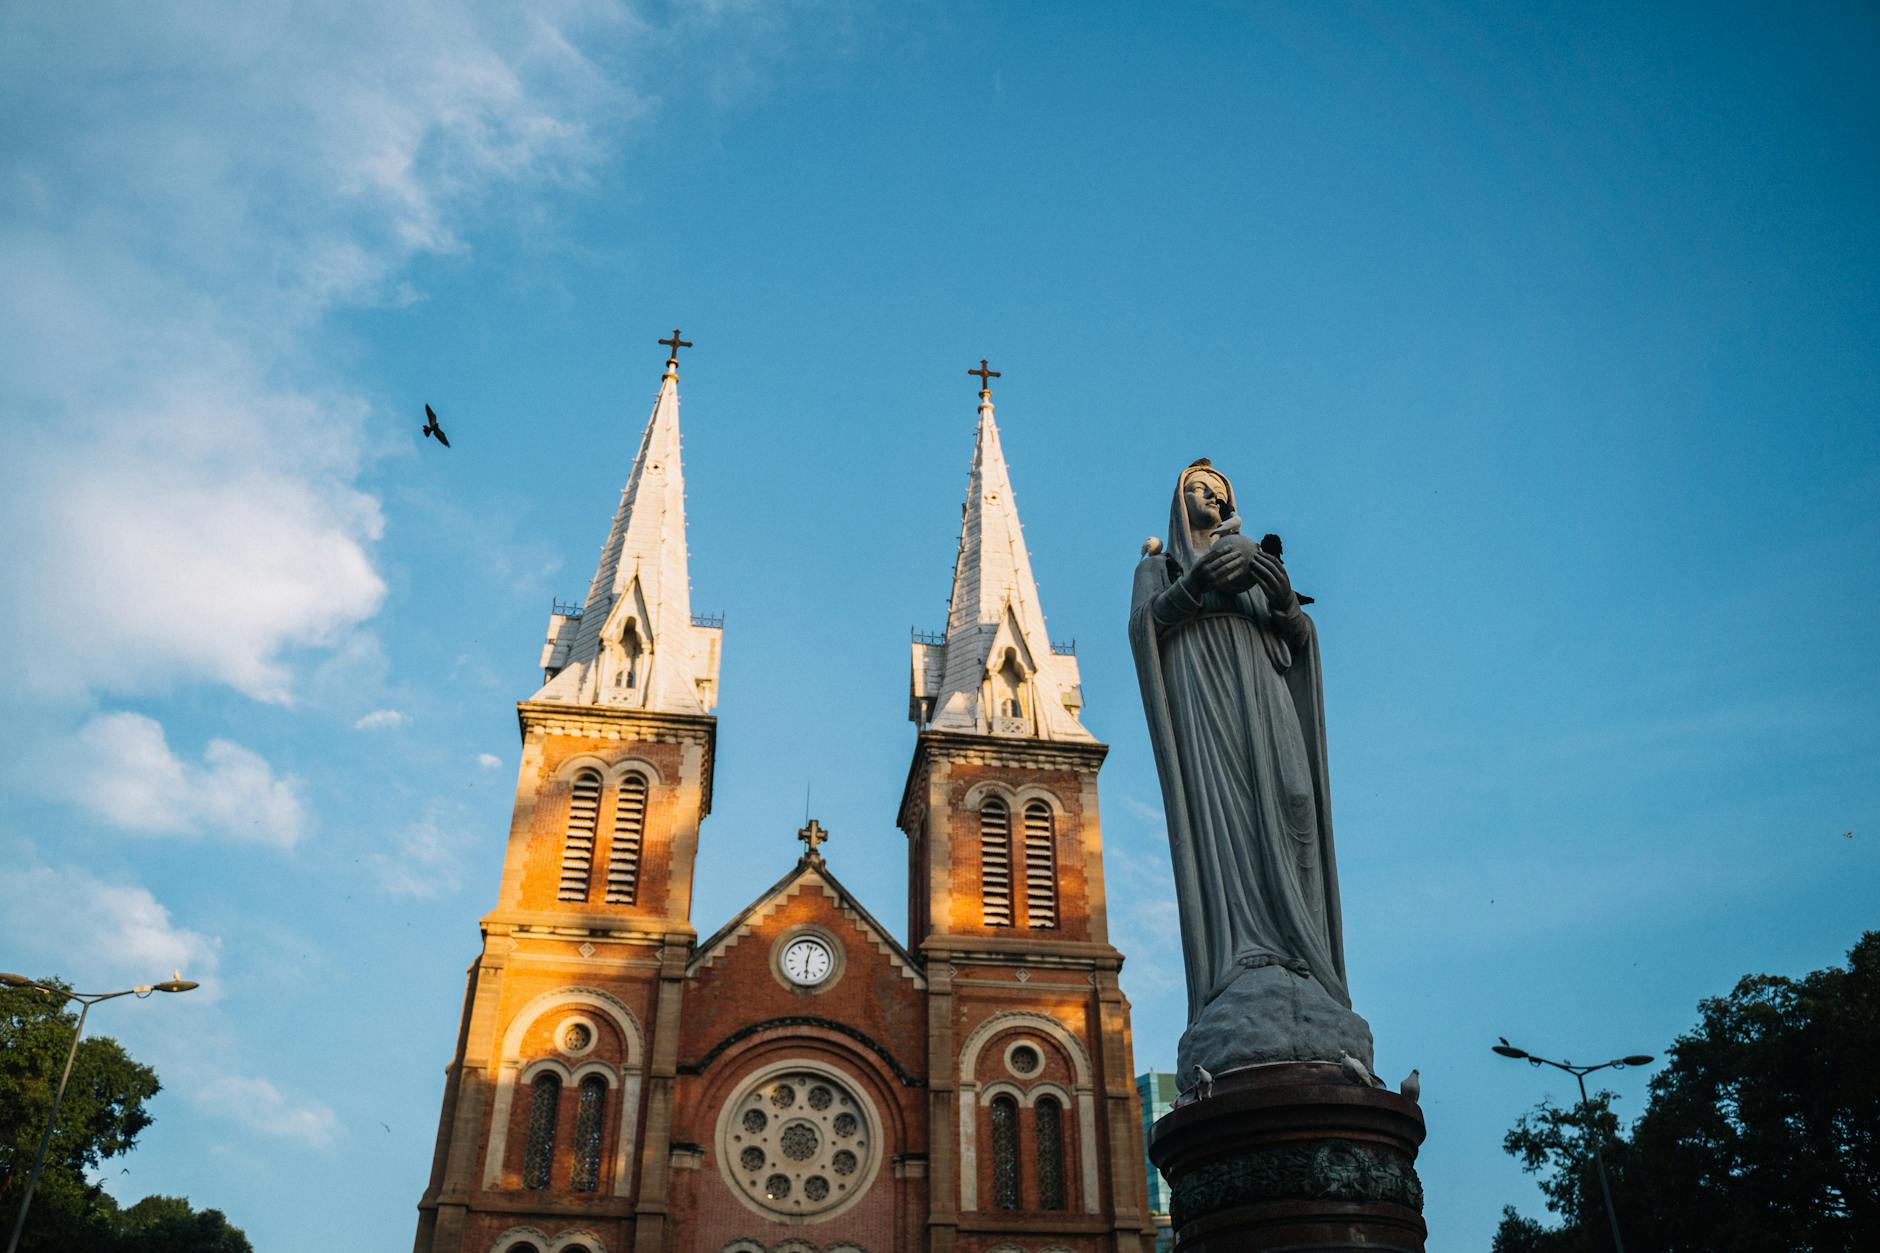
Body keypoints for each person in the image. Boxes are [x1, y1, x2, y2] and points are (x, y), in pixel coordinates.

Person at [1129, 459, 1371, 1076]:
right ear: (1178, 504)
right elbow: (1145, 628)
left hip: (1265, 696)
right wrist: (1196, 584)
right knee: (1229, 824)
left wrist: (1283, 594)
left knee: (1297, 804)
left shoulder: (1259, 561)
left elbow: (1298, 636)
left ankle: (1303, 954)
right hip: (1207, 701)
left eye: (1218, 490)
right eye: (1195, 489)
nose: (1208, 495)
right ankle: (1245, 956)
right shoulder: (1160, 567)